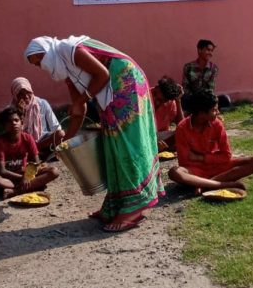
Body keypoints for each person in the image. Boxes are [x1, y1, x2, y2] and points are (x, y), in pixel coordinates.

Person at [25, 35, 163, 232]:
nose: (41, 66)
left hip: (124, 80)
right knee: (111, 143)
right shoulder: (68, 71)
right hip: (110, 87)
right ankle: (116, 204)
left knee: (124, 143)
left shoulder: (68, 49)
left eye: (39, 60)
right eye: (36, 65)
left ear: (45, 50)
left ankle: (135, 206)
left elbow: (102, 75)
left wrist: (83, 98)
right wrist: (65, 143)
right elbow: (78, 110)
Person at [168, 90, 253, 193]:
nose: (218, 113)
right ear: (201, 113)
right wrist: (205, 160)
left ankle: (204, 185)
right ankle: (222, 184)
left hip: (218, 167)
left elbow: (226, 156)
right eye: (214, 110)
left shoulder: (217, 124)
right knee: (174, 172)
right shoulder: (182, 128)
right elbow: (184, 161)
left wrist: (201, 157)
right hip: (195, 171)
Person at [0, 107, 60, 199]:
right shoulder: (0, 142)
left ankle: (16, 191)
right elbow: (1, 171)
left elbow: (36, 163)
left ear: (21, 123)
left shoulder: (28, 138)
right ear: (4, 125)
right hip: (11, 178)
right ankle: (34, 186)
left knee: (54, 171)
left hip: (27, 174)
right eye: (9, 121)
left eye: (16, 120)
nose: (14, 123)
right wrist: (23, 178)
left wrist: (27, 176)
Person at [9, 77, 65, 158]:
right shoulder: (11, 109)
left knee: (60, 133)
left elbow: (55, 126)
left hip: (42, 139)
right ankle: (37, 153)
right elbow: (13, 133)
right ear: (15, 95)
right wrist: (20, 112)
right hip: (24, 141)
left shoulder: (42, 103)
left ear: (31, 90)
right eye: (21, 94)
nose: (26, 96)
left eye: (28, 92)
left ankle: (34, 151)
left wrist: (58, 142)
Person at [181, 39, 230, 109]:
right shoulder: (188, 67)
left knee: (225, 99)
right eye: (208, 50)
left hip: (206, 99)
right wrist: (194, 98)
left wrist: (204, 98)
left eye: (211, 51)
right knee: (183, 100)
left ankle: (202, 109)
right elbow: (185, 87)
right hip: (192, 99)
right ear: (199, 50)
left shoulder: (213, 68)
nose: (210, 53)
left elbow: (211, 88)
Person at [150, 76, 184, 151]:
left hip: (158, 136)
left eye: (161, 100)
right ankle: (155, 148)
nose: (156, 101)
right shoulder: (144, 96)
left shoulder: (171, 103)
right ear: (156, 87)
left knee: (182, 134)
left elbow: (182, 126)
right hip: (142, 135)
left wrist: (178, 101)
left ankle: (158, 148)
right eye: (155, 95)